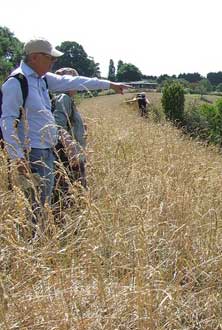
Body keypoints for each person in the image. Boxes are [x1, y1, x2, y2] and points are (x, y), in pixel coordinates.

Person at [0, 38, 128, 220]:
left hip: (46, 151)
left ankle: (39, 238)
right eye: (50, 58)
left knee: (43, 201)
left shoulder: (42, 79)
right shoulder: (16, 82)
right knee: (34, 203)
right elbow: (7, 122)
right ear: (35, 57)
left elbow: (73, 81)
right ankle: (32, 241)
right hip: (31, 155)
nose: (53, 62)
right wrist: (18, 158)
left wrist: (109, 84)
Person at [52, 67, 88, 210]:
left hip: (70, 154)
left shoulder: (66, 99)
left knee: (70, 195)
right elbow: (57, 125)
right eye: (73, 80)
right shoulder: (64, 98)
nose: (77, 84)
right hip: (69, 157)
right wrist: (72, 149)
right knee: (73, 196)